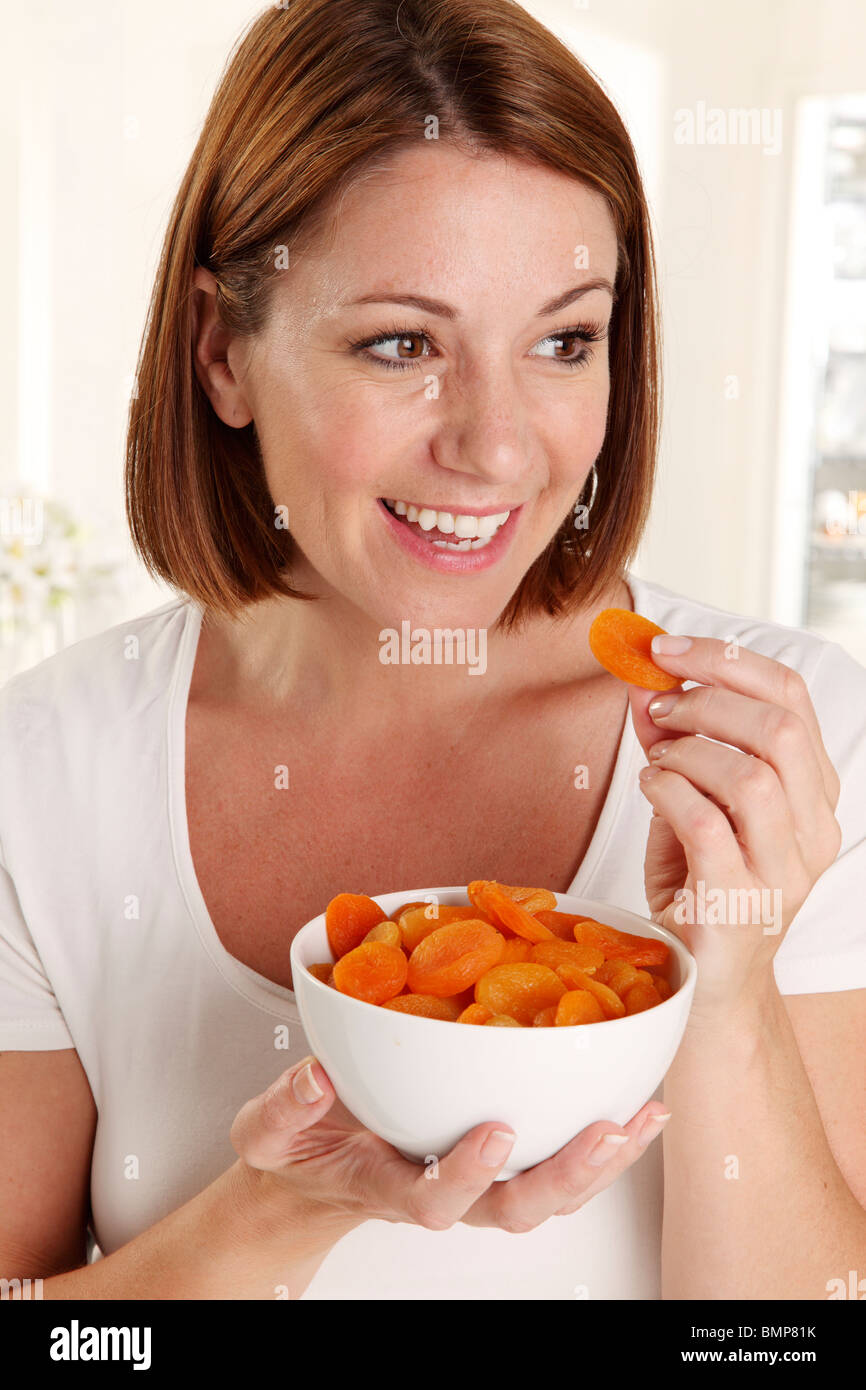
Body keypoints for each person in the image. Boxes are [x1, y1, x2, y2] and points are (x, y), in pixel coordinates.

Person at [1, 0, 865, 1302]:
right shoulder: (42, 775)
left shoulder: (786, 749)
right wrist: (277, 1210)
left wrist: (726, 990)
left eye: (563, 340)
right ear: (221, 353)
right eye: (401, 343)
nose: (500, 447)